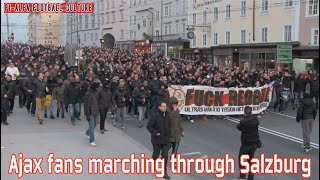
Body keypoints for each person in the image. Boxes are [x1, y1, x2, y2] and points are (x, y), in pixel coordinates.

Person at [147, 101, 171, 179]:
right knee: (156, 154)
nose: (165, 108)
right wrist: (155, 133)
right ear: (159, 107)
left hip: (165, 139)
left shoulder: (167, 115)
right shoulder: (155, 115)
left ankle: (164, 172)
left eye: (165, 106)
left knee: (165, 155)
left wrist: (170, 138)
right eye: (163, 106)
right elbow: (149, 127)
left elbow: (169, 126)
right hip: (156, 139)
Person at [237, 106, 261, 180]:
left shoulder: (243, 121)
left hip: (246, 144)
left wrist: (244, 119)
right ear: (251, 112)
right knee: (251, 160)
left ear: (244, 113)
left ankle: (242, 175)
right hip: (255, 143)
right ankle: (251, 177)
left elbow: (238, 127)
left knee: (241, 158)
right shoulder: (255, 119)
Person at [84, 82, 100, 147]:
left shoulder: (95, 93)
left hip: (95, 112)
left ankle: (87, 133)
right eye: (97, 87)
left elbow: (96, 103)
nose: (98, 88)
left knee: (95, 124)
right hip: (90, 113)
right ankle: (92, 141)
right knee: (92, 127)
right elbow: (86, 105)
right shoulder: (88, 94)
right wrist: (87, 114)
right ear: (95, 87)